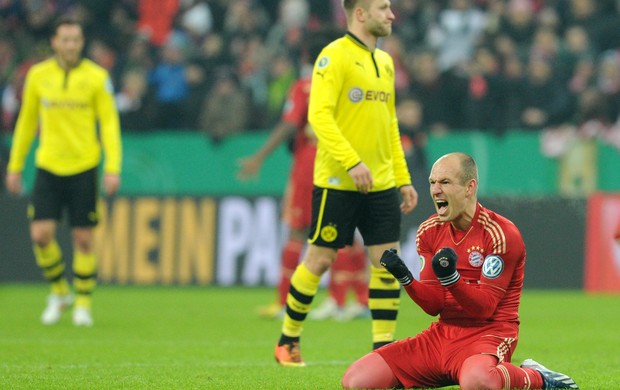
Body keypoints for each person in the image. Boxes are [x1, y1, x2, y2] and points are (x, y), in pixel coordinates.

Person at [341, 152, 579, 389]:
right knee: (356, 380)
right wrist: (405, 277)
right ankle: (427, 375)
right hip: (443, 336)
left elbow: (484, 308)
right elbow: (433, 305)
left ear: (469, 187)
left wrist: (451, 278)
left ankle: (538, 379)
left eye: (445, 182)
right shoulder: (429, 230)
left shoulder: (500, 233)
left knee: (477, 382)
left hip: (488, 334)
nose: (435, 190)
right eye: (432, 183)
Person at [274, 0, 418, 367]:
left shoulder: (384, 62)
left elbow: (389, 125)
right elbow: (318, 117)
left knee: (386, 263)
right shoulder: (333, 57)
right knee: (320, 259)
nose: (391, 15)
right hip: (338, 180)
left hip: (382, 182)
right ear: (360, 13)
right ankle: (288, 340)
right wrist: (352, 161)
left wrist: (402, 178)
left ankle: (382, 351)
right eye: (384, 8)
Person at [236, 28, 370, 322]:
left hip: (314, 163)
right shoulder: (352, 83)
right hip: (350, 160)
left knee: (300, 230)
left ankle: (285, 300)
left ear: (305, 55)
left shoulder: (305, 85)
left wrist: (259, 157)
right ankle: (356, 300)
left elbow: (288, 123)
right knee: (344, 232)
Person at [5, 17, 122, 327]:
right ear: (55, 42)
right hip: (48, 165)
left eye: (76, 40)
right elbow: (27, 122)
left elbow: (109, 124)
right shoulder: (38, 75)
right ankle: (60, 293)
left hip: (84, 166)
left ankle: (83, 303)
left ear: (81, 43)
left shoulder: (97, 77)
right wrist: (14, 166)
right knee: (41, 235)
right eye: (65, 39)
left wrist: (113, 167)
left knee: (83, 239)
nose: (70, 45)